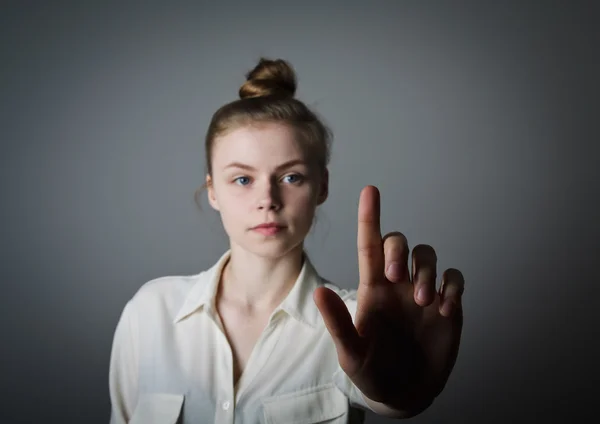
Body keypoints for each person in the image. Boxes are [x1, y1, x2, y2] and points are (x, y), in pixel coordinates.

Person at [108, 58, 465, 424]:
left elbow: (392, 393)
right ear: (212, 190)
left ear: (321, 186)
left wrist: (405, 391)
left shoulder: (359, 324)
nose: (268, 199)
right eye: (242, 179)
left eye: (291, 177)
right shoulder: (150, 314)